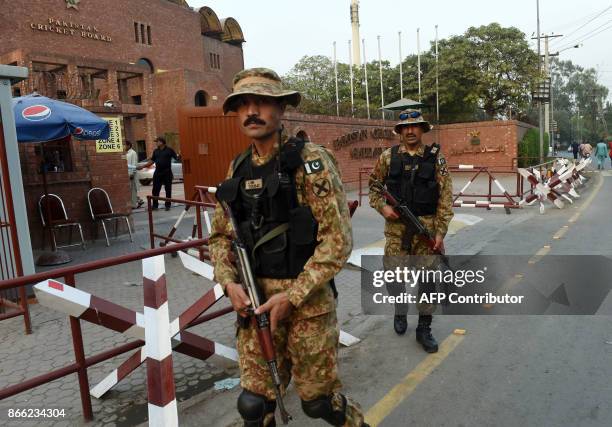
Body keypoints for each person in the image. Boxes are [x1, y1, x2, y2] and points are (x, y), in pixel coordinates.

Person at [208, 68, 367, 427]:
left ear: (281, 110)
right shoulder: (238, 166)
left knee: (318, 403)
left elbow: (337, 241)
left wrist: (292, 296)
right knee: (254, 405)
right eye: (243, 104)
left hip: (306, 305)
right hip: (254, 303)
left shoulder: (311, 162)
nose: (252, 111)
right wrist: (228, 283)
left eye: (262, 102)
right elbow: (219, 237)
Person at [368, 109, 454, 353]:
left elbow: (446, 197)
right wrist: (383, 208)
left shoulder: (436, 158)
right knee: (393, 278)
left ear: (423, 130)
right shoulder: (388, 157)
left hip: (426, 229)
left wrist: (440, 232)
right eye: (405, 127)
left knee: (427, 282)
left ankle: (423, 329)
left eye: (415, 126)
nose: (410, 131)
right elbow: (374, 187)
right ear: (400, 131)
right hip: (396, 231)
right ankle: (400, 308)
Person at [137, 136, 179, 210]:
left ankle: (168, 205)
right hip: (158, 172)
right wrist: (143, 166)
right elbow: (152, 161)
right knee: (155, 189)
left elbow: (177, 158)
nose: (156, 143)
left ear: (162, 142)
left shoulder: (169, 150)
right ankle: (155, 205)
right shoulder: (156, 151)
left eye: (157, 141)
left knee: (168, 189)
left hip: (167, 172)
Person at [126, 141, 144, 209]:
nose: (124, 147)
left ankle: (134, 204)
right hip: (127, 174)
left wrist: (132, 173)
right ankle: (138, 201)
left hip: (131, 175)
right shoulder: (126, 153)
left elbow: (134, 164)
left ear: (129, 145)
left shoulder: (133, 153)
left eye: (125, 145)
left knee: (133, 190)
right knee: (130, 190)